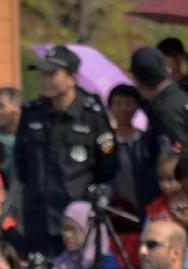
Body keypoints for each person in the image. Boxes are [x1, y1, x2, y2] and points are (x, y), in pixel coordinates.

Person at [15, 45, 118, 256]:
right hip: (39, 216)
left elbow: (107, 165)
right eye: (43, 74)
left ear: (72, 77)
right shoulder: (31, 113)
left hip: (76, 217)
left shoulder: (92, 114)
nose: (45, 80)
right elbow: (21, 164)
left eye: (52, 74)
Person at [131, 47, 188, 197]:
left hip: (173, 199)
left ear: (138, 80)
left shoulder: (166, 110)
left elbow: (179, 154)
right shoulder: (179, 98)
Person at [107, 84, 153, 211]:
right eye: (119, 103)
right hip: (118, 209)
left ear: (137, 106)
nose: (124, 108)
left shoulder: (146, 139)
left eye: (129, 103)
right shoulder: (106, 143)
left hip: (150, 204)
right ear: (111, 107)